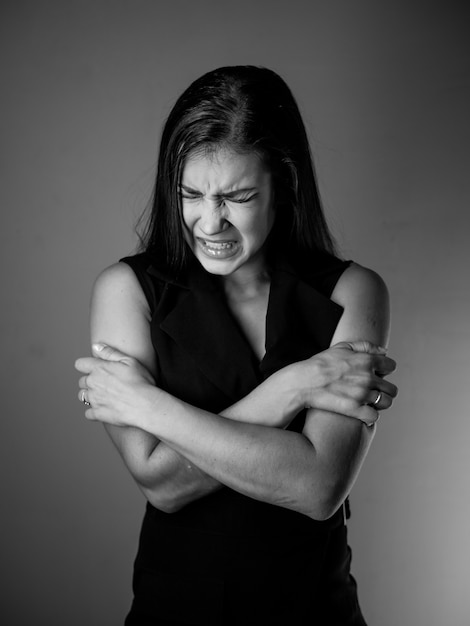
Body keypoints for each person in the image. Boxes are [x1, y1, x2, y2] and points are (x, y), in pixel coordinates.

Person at [75, 66, 397, 625]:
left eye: (238, 197)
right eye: (191, 194)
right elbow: (162, 485)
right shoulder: (126, 291)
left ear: (284, 187)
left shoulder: (353, 291)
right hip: (176, 610)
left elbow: (318, 486)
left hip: (315, 610)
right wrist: (293, 386)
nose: (209, 222)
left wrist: (151, 407)